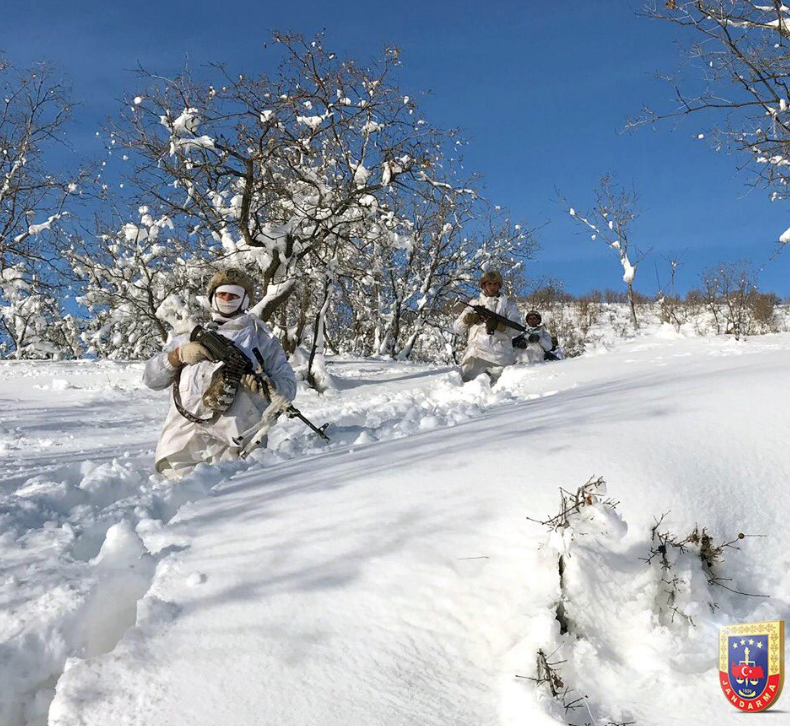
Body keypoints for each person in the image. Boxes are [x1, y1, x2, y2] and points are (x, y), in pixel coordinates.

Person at [143, 268, 297, 478]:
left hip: (237, 449)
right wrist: (176, 356)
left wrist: (265, 386)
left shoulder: (263, 340)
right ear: (212, 298)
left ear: (244, 300)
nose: (226, 299)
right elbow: (151, 379)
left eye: (233, 295)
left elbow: (287, 386)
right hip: (180, 448)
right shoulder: (187, 336)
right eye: (222, 294)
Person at [453, 270, 522, 383]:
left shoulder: (508, 306)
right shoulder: (474, 304)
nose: (492, 287)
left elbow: (517, 330)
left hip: (500, 358)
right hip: (475, 357)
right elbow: (457, 328)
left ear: (499, 286)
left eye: (495, 284)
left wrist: (499, 326)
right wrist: (467, 320)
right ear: (483, 285)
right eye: (489, 284)